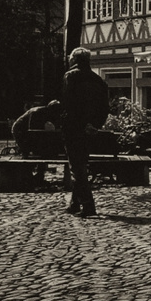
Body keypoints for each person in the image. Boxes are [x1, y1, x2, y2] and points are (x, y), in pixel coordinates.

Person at [60, 47, 111, 217]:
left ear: (74, 60)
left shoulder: (70, 76)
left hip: (74, 128)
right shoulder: (98, 80)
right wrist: (94, 124)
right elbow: (105, 107)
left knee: (77, 167)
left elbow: (69, 104)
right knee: (80, 165)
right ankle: (75, 204)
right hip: (90, 129)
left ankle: (88, 206)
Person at [11, 100, 61, 184]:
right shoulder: (37, 112)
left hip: (28, 131)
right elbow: (32, 130)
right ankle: (27, 175)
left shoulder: (48, 114)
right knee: (28, 152)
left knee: (41, 152)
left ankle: (39, 174)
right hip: (20, 130)